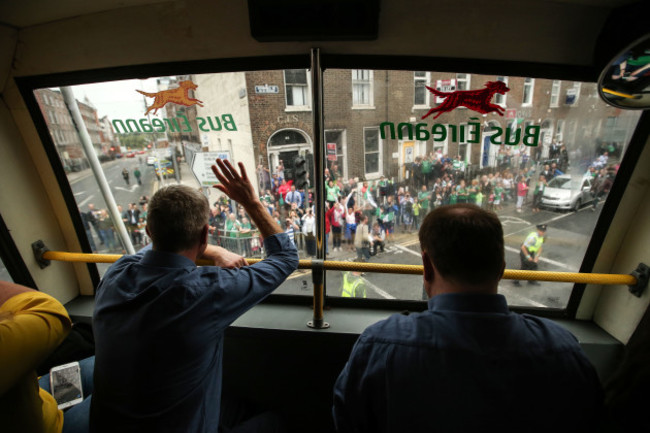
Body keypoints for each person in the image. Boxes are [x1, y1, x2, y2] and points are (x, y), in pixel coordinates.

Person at [333, 205, 603, 433]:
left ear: (426, 267)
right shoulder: (564, 351)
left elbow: (346, 421)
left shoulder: (378, 347)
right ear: (501, 268)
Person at [90, 159, 299, 433]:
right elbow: (285, 257)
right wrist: (251, 203)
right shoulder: (205, 292)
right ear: (205, 233)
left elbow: (145, 255)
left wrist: (210, 250)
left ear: (149, 231)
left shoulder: (117, 273)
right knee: (275, 422)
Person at [1, 280, 94, 433]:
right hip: (50, 428)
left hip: (39, 395)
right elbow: (53, 312)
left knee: (118, 364)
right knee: (140, 380)